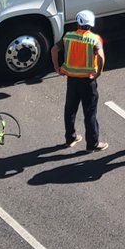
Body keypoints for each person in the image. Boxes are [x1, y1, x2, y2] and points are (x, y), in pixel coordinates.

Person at [51, 9, 109, 152]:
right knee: (90, 113)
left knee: (70, 110)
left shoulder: (68, 36)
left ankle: (70, 138)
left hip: (72, 80)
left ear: (78, 23)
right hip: (88, 81)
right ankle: (92, 144)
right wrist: (99, 72)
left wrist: (57, 68)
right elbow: (101, 57)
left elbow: (54, 50)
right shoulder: (95, 39)